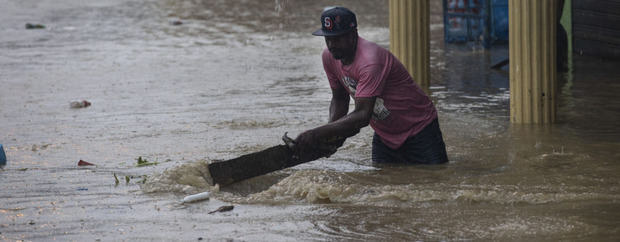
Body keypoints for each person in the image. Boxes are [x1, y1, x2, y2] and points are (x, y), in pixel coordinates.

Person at [293, 6, 448, 164]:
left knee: (434, 178)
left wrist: (316, 134)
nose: (331, 44)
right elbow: (339, 100)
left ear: (353, 35)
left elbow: (362, 116)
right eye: (328, 38)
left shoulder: (370, 61)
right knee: (381, 184)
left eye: (337, 38)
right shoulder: (329, 57)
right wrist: (331, 138)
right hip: (385, 135)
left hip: (420, 129)